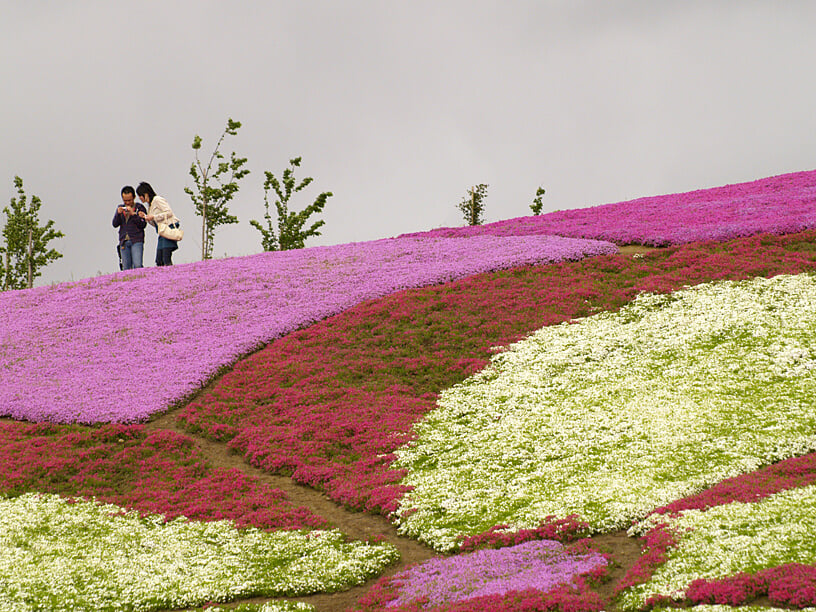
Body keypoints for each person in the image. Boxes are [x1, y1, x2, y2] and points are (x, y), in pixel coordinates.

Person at [136, 182, 180, 266]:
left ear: (145, 194)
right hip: (162, 232)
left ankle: (172, 275)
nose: (140, 198)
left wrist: (153, 217)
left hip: (168, 229)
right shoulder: (150, 205)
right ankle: (163, 277)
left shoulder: (157, 200)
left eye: (140, 195)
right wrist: (146, 217)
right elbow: (154, 223)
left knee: (166, 257)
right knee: (159, 260)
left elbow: (169, 213)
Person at [112, 185, 147, 270]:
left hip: (136, 240)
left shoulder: (139, 208)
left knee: (137, 265)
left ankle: (140, 281)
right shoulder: (120, 207)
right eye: (125, 200)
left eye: (129, 200)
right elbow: (115, 224)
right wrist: (118, 214)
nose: (127, 203)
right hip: (124, 241)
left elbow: (143, 224)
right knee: (126, 268)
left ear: (134, 197)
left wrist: (133, 215)